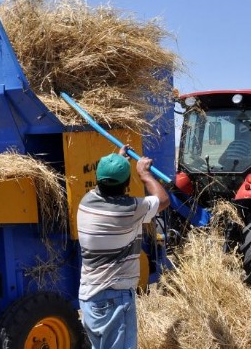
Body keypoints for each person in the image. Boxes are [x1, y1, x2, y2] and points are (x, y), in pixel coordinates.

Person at [77, 145, 170, 349]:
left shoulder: (86, 202)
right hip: (113, 298)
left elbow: (104, 184)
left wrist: (117, 162)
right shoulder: (129, 211)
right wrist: (144, 174)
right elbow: (163, 200)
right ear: (127, 183)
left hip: (90, 297)